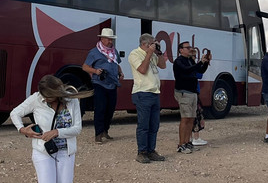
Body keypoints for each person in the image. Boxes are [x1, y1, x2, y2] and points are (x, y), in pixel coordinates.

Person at [81, 27, 123, 144]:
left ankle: (105, 130)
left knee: (110, 109)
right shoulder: (94, 52)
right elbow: (85, 66)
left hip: (112, 83)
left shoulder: (114, 52)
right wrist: (95, 71)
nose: (110, 41)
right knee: (100, 108)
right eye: (108, 39)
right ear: (102, 39)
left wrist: (120, 72)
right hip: (99, 83)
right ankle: (98, 134)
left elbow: (117, 64)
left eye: (111, 39)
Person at [128, 34, 165, 163]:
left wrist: (159, 52)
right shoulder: (135, 54)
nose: (153, 46)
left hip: (154, 92)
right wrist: (149, 53)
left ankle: (151, 150)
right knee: (143, 125)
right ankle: (142, 152)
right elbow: (142, 70)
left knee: (154, 125)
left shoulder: (153, 54)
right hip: (142, 93)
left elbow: (163, 65)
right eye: (152, 43)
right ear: (145, 44)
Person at [172, 41, 211, 154]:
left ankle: (187, 142)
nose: (190, 49)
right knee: (185, 118)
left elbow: (199, 71)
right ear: (181, 50)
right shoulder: (178, 61)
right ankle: (181, 144)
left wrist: (206, 62)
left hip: (192, 92)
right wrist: (200, 62)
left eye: (190, 47)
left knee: (191, 118)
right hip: (184, 92)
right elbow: (187, 70)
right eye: (187, 47)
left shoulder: (190, 60)